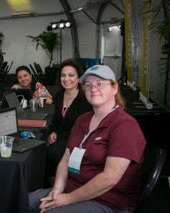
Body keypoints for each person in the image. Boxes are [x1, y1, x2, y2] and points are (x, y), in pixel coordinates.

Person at [29, 64, 146, 213]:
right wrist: (57, 190)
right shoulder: (83, 120)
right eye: (88, 85)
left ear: (114, 88)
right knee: (24, 201)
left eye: (100, 84)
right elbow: (66, 157)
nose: (93, 88)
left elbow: (109, 179)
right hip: (73, 189)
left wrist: (68, 199)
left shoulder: (125, 126)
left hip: (107, 201)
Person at [45, 59, 92, 181]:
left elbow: (82, 127)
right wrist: (53, 133)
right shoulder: (59, 95)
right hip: (60, 138)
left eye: (71, 75)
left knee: (52, 152)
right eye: (63, 75)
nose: (66, 79)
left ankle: (62, 182)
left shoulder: (85, 99)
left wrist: (58, 138)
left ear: (79, 78)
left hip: (77, 140)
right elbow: (55, 121)